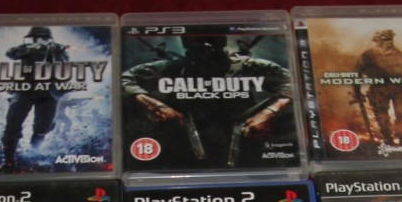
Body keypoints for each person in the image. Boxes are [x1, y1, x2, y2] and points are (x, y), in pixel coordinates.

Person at [122, 31, 293, 167]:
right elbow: (122, 80)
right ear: (185, 42)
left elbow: (295, 81)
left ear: (222, 40)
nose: (205, 46)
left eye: (211, 39)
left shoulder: (245, 65)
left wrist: (270, 112)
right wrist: (155, 106)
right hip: (185, 152)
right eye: (196, 40)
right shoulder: (172, 67)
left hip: (242, 148)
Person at [0, 26, 71, 171]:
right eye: (36, 38)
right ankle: (9, 162)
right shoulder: (26, 48)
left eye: (42, 38)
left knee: (42, 128)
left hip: (48, 92)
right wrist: (33, 49)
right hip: (24, 90)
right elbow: (11, 53)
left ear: (48, 39)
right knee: (13, 125)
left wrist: (53, 51)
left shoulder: (56, 50)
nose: (39, 40)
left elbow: (64, 63)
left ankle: (34, 155)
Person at [355, 29, 402, 146]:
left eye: (390, 39)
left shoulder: (401, 56)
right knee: (382, 115)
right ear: (378, 41)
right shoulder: (367, 56)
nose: (389, 42)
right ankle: (387, 138)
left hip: (399, 88)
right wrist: (357, 92)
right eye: (385, 40)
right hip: (378, 89)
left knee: (401, 113)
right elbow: (357, 74)